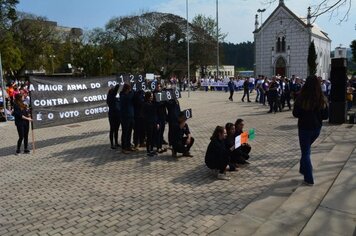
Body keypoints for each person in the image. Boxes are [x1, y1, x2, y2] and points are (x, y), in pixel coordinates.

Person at [293, 75, 329, 186]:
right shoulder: (321, 98)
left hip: (304, 128)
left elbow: (295, 113)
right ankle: (304, 169)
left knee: (305, 152)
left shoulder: (301, 97)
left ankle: (308, 178)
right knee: (306, 151)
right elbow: (325, 116)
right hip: (316, 129)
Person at [120, 84, 135, 154]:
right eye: (129, 89)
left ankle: (128, 145)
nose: (130, 90)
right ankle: (124, 147)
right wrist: (132, 92)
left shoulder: (129, 95)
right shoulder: (123, 96)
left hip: (131, 116)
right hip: (125, 117)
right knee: (125, 132)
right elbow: (130, 96)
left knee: (129, 132)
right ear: (127, 89)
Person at [143, 91, 159, 156]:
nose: (152, 97)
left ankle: (152, 149)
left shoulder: (151, 103)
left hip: (154, 122)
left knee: (153, 137)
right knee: (149, 137)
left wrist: (157, 123)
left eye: (152, 96)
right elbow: (153, 108)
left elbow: (155, 113)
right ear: (148, 97)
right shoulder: (145, 104)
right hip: (149, 123)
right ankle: (148, 151)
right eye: (151, 96)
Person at [106, 84, 121, 149]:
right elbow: (116, 89)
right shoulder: (110, 97)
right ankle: (112, 144)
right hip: (112, 115)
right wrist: (119, 84)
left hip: (118, 115)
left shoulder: (115, 98)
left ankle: (116, 142)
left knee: (116, 129)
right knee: (112, 129)